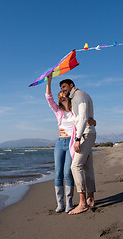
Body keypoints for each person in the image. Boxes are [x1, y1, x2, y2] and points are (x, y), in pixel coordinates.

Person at [45, 74, 95, 213]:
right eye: (60, 96)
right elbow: (49, 98)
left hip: (71, 143)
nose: (62, 97)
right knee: (58, 173)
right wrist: (49, 81)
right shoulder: (58, 112)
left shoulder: (75, 111)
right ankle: (60, 203)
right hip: (60, 143)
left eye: (64, 95)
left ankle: (69, 203)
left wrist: (93, 121)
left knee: (68, 172)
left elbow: (85, 119)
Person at [59, 79, 97, 215]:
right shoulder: (82, 95)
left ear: (71, 85)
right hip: (88, 132)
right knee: (87, 167)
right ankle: (90, 199)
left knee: (75, 166)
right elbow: (87, 117)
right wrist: (93, 122)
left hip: (85, 135)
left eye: (64, 87)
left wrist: (77, 139)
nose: (63, 89)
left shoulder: (79, 96)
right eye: (61, 88)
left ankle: (82, 203)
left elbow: (82, 118)